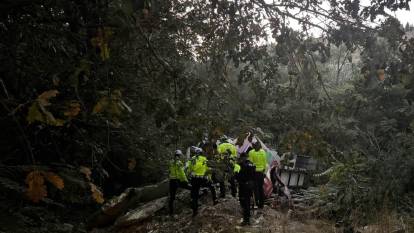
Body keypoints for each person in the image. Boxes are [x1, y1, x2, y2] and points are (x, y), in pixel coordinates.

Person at [187, 147, 217, 216]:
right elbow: (207, 169)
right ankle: (215, 200)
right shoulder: (204, 159)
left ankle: (195, 211)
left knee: (195, 194)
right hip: (202, 178)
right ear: (201, 153)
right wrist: (210, 178)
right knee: (211, 187)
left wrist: (189, 178)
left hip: (194, 179)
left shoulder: (192, 159)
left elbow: (188, 169)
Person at [235, 152, 256, 226]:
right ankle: (248, 219)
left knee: (244, 202)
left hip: (243, 186)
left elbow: (237, 176)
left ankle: (246, 220)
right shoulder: (252, 164)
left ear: (242, 157)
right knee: (247, 202)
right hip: (250, 186)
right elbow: (254, 175)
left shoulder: (241, 165)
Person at [168, 149, 190, 215]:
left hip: (171, 181)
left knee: (172, 197)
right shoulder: (179, 163)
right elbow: (182, 173)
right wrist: (186, 180)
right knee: (190, 188)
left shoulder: (170, 162)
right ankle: (193, 203)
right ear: (179, 155)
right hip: (177, 180)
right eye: (180, 155)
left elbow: (170, 171)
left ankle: (171, 213)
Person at [248, 141, 267, 209]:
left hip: (254, 172)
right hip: (261, 173)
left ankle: (256, 203)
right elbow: (265, 163)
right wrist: (264, 172)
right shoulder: (263, 152)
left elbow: (250, 164)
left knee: (255, 189)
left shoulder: (251, 152)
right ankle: (261, 204)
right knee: (260, 188)